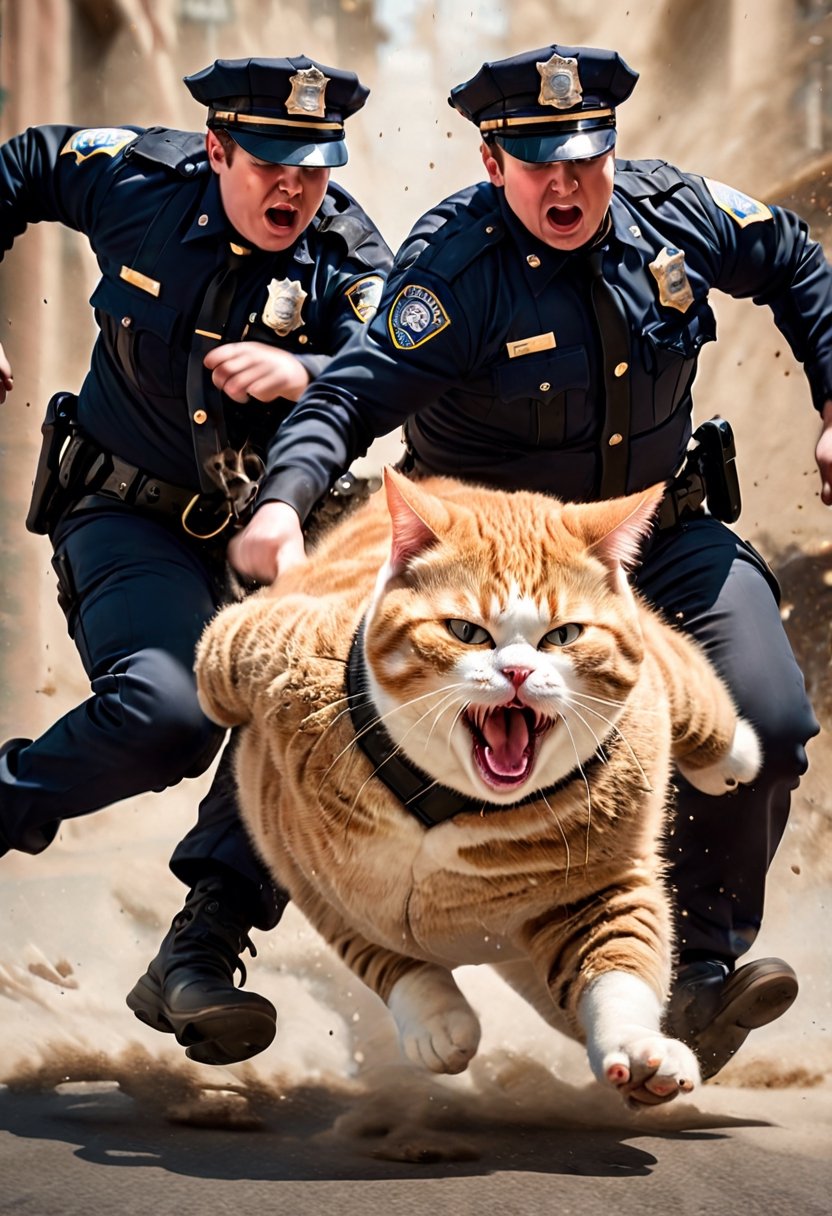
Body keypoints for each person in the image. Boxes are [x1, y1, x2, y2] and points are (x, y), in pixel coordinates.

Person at [219, 43, 832, 1081]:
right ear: (494, 163)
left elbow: (795, 261)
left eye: (586, 156)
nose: (567, 183)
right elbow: (346, 396)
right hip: (490, 582)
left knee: (763, 724)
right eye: (539, 160)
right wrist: (280, 503)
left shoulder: (673, 215)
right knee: (314, 710)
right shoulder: (451, 272)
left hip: (656, 542)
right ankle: (214, 923)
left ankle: (693, 974)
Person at [0, 56, 392, 1065]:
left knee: (318, 709)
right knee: (168, 714)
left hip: (274, 539)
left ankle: (200, 949)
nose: (293, 188)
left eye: (313, 167)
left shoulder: (345, 249)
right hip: (126, 515)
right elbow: (20, 166)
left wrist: (303, 368)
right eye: (269, 162)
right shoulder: (136, 180)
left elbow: (388, 361)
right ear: (216, 148)